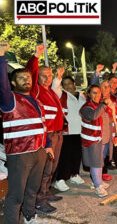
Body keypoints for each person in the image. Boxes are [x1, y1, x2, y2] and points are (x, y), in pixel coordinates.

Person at [0, 43, 52, 223]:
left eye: (28, 77)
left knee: (33, 189)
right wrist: (1, 57)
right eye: (21, 78)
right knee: (16, 195)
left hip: (39, 151)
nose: (27, 79)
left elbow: (43, 126)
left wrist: (48, 146)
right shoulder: (9, 100)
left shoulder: (36, 101)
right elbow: (2, 85)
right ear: (13, 83)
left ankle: (30, 216)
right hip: (20, 154)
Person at [26, 46, 65, 214]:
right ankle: (39, 200)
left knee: (52, 167)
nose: (47, 78)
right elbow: (31, 73)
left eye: (49, 75)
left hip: (57, 134)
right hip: (47, 136)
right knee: (44, 169)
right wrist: (36, 56)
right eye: (44, 75)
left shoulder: (49, 90)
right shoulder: (35, 90)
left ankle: (46, 191)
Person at [52, 67, 86, 192]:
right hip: (67, 131)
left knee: (77, 155)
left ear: (74, 84)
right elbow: (54, 88)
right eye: (64, 84)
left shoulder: (82, 95)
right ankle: (60, 179)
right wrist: (58, 77)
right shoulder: (62, 94)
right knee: (65, 156)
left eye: (69, 84)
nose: (67, 86)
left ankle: (74, 174)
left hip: (80, 131)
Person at [80, 85, 112, 197]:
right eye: (94, 93)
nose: (97, 95)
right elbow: (94, 116)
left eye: (98, 93)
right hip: (91, 140)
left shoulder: (97, 105)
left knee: (99, 161)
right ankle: (98, 186)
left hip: (98, 138)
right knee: (95, 163)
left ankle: (97, 181)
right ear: (89, 94)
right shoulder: (86, 107)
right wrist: (104, 104)